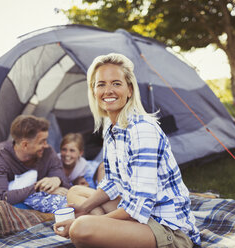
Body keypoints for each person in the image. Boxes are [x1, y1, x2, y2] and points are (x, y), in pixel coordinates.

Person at [53, 53, 201, 247]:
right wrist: (82, 209)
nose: (108, 90)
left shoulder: (142, 130)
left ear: (129, 90)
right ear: (94, 91)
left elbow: (137, 207)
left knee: (80, 229)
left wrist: (86, 223)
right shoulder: (111, 128)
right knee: (75, 193)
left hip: (166, 229)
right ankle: (104, 235)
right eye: (101, 84)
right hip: (139, 216)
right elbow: (112, 182)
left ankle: (96, 233)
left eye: (116, 83)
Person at [0, 115, 70, 208]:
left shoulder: (48, 152)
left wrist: (58, 180)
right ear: (25, 145)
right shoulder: (0, 156)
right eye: (42, 142)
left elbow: (65, 187)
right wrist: (38, 188)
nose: (46, 145)